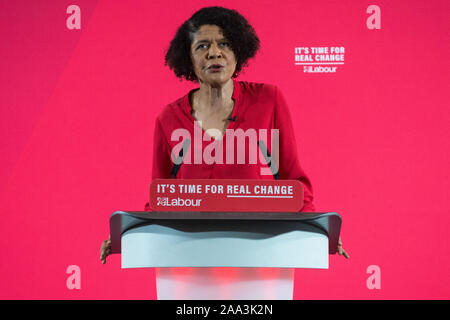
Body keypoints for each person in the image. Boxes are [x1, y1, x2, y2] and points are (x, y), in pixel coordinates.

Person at [100, 6, 348, 264]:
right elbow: (160, 198)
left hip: (261, 252)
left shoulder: (269, 100)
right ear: (189, 57)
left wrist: (317, 231)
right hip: (190, 255)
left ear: (238, 52)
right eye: (202, 46)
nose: (214, 52)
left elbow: (295, 182)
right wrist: (130, 236)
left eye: (224, 43)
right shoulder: (168, 118)